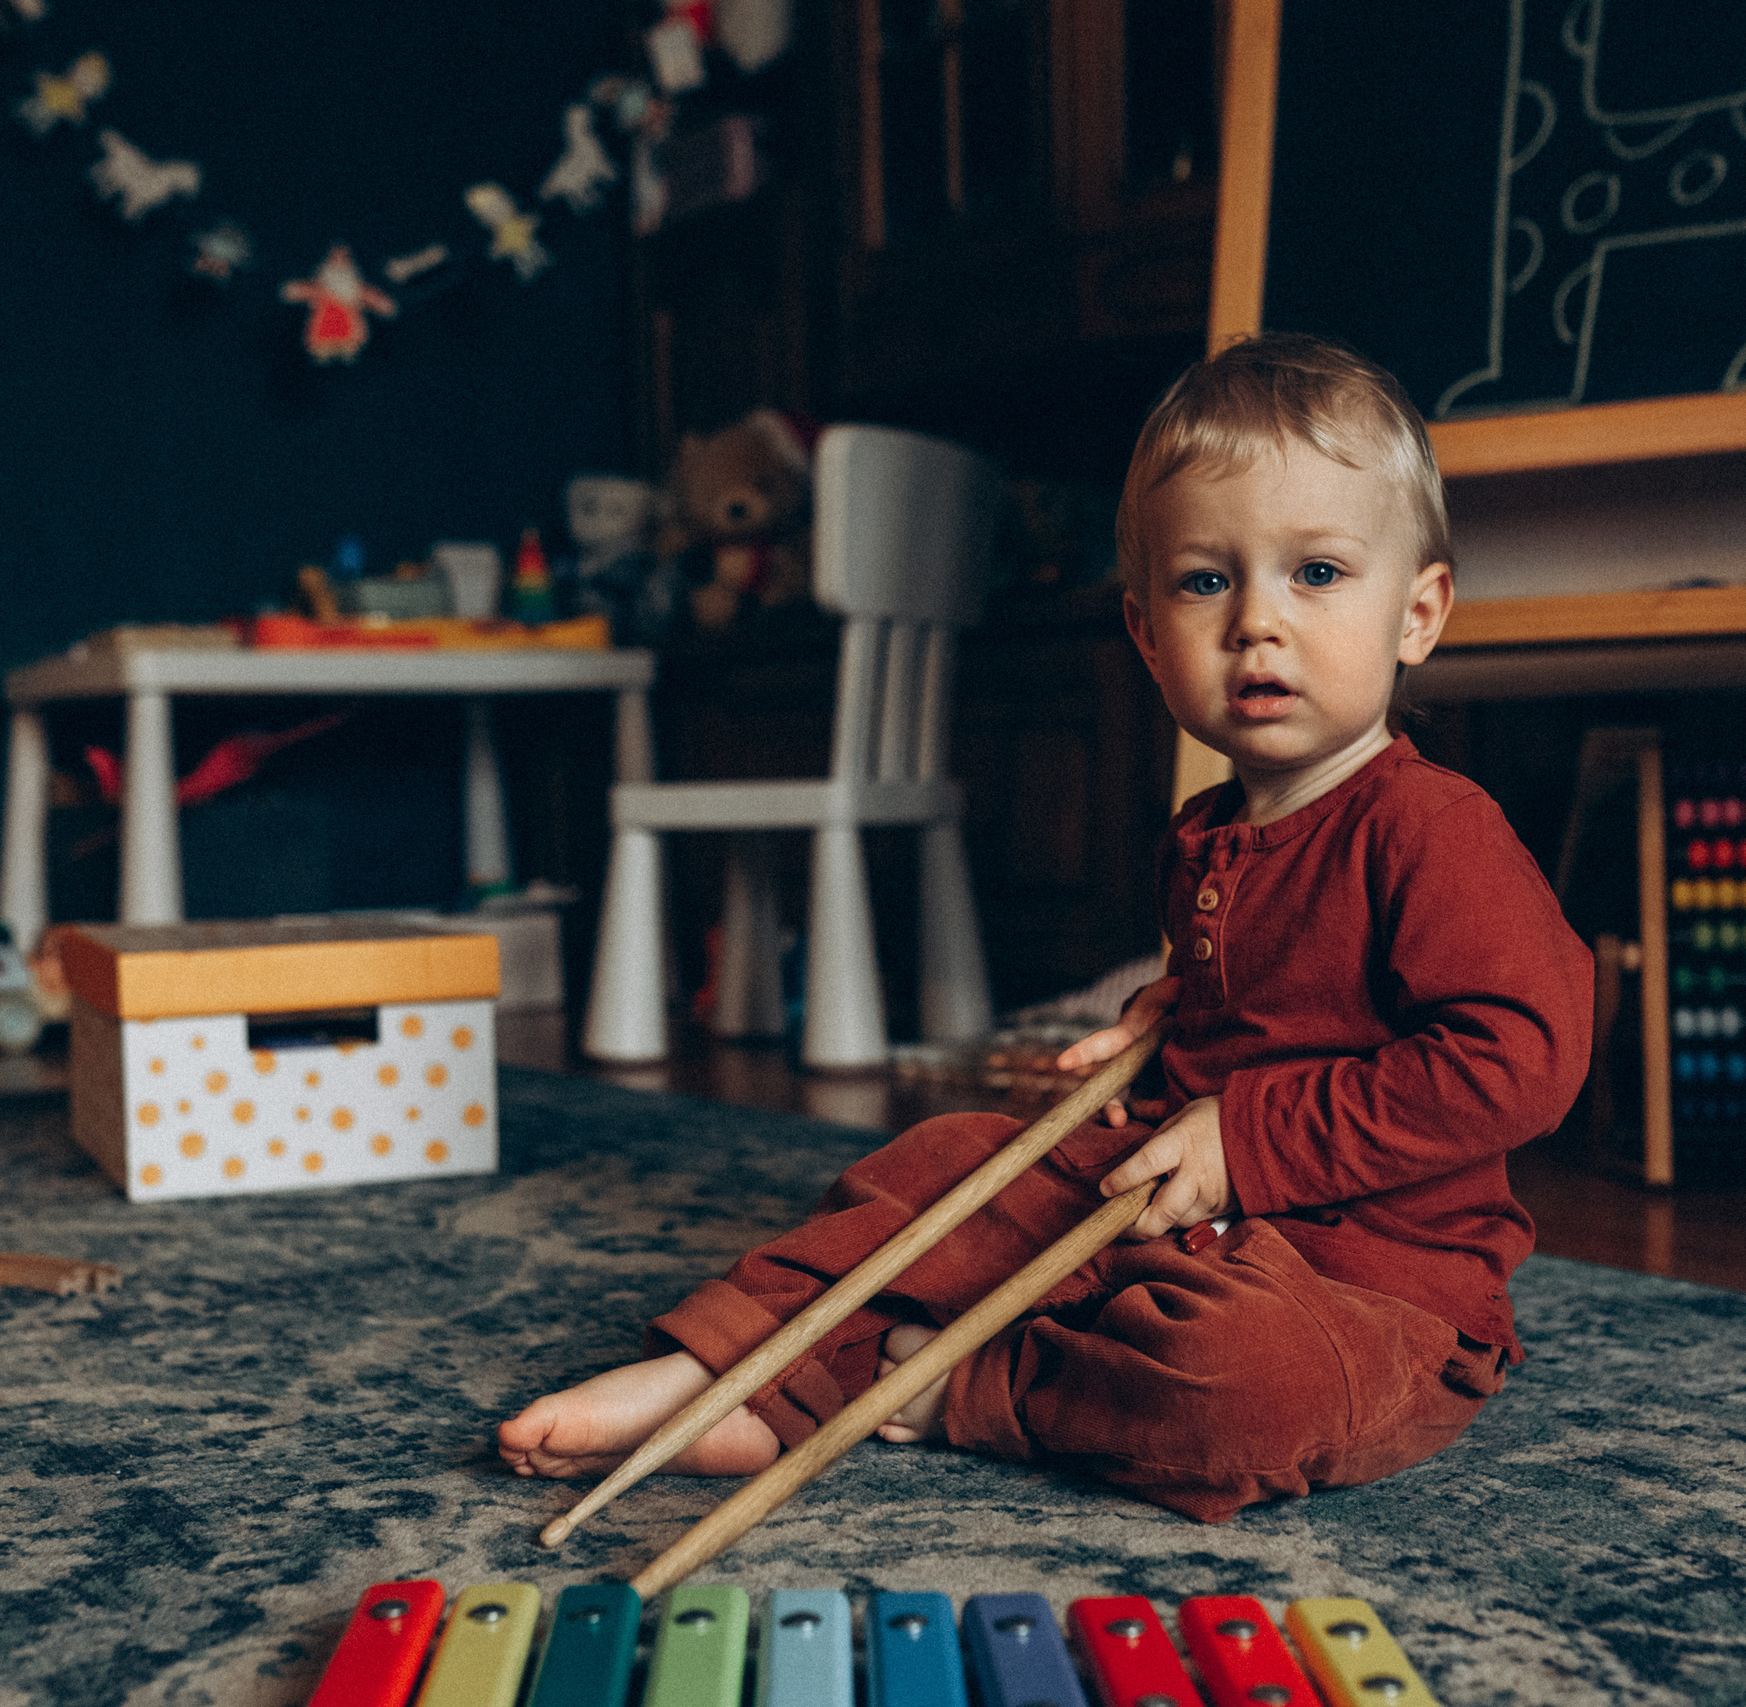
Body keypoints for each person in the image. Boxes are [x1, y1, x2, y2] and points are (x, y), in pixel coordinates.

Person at [499, 335, 1594, 1521]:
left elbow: (1519, 1060)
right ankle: (721, 1371)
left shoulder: (1435, 827)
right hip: (1172, 1200)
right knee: (937, 1167)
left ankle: (953, 1383)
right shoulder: (1207, 827)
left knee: (1243, 1391)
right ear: (1144, 636)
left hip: (1372, 1278)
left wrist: (1245, 1138)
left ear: (1417, 613)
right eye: (1205, 582)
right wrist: (1162, 1017)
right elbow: (1265, 993)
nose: (1256, 625)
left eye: (1316, 574)